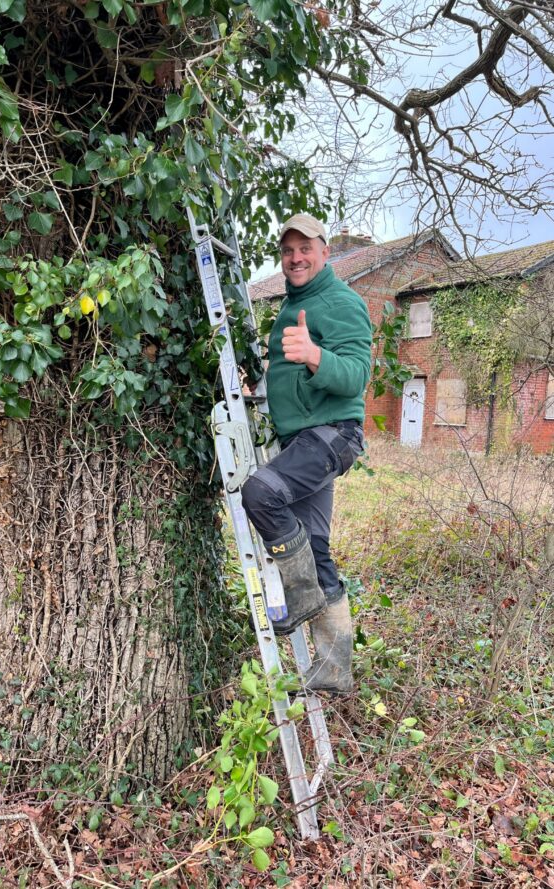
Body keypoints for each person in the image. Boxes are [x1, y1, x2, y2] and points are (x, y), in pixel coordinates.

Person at [241, 213, 372, 695]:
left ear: (325, 251)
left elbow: (357, 374)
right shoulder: (293, 305)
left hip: (332, 434)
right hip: (305, 439)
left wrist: (315, 355)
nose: (296, 258)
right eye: (288, 250)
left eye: (305, 248)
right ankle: (336, 671)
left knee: (260, 493)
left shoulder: (340, 301)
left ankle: (301, 597)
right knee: (316, 550)